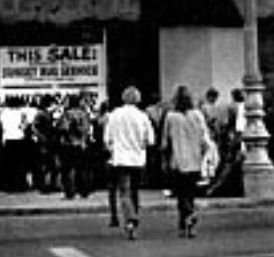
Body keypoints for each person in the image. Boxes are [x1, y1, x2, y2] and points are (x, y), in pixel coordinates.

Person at [103, 86, 154, 240]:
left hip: (120, 158)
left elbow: (107, 139)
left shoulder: (114, 115)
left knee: (124, 191)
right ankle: (133, 220)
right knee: (135, 191)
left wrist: (113, 149)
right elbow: (150, 140)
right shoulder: (143, 116)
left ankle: (130, 218)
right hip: (138, 158)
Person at [163, 85, 208, 238]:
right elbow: (204, 138)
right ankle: (185, 223)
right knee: (190, 192)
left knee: (180, 193)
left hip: (178, 160)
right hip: (194, 159)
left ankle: (187, 216)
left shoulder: (171, 117)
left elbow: (165, 141)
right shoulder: (197, 115)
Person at [58, 94, 92, 200]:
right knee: (82, 169)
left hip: (68, 145)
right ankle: (83, 191)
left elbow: (63, 128)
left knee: (66, 170)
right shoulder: (84, 114)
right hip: (81, 144)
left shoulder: (66, 114)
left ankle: (69, 192)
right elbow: (86, 129)